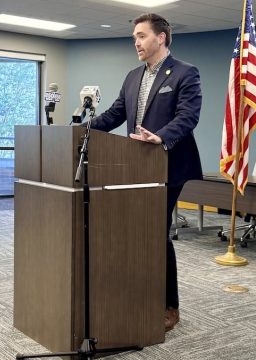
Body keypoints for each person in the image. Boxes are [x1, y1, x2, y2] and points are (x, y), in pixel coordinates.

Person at [87, 13, 202, 332]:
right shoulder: (132, 76)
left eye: (141, 36)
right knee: (134, 233)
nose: (136, 42)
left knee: (154, 232)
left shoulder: (185, 73)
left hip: (169, 165)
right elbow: (115, 115)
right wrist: (80, 129)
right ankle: (140, 293)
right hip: (133, 166)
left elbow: (188, 116)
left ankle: (169, 305)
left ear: (161, 38)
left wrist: (161, 136)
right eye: (134, 37)